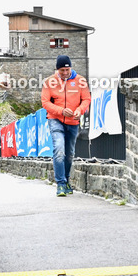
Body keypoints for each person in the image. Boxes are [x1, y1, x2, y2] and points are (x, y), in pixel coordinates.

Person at [41, 55, 91, 196]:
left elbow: (86, 98)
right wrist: (61, 111)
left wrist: (79, 111)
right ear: (57, 70)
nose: (64, 73)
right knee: (59, 150)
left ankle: (67, 180)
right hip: (55, 119)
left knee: (69, 154)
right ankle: (60, 184)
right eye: (61, 70)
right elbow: (45, 102)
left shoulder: (80, 81)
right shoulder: (49, 82)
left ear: (71, 68)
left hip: (73, 121)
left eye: (67, 69)